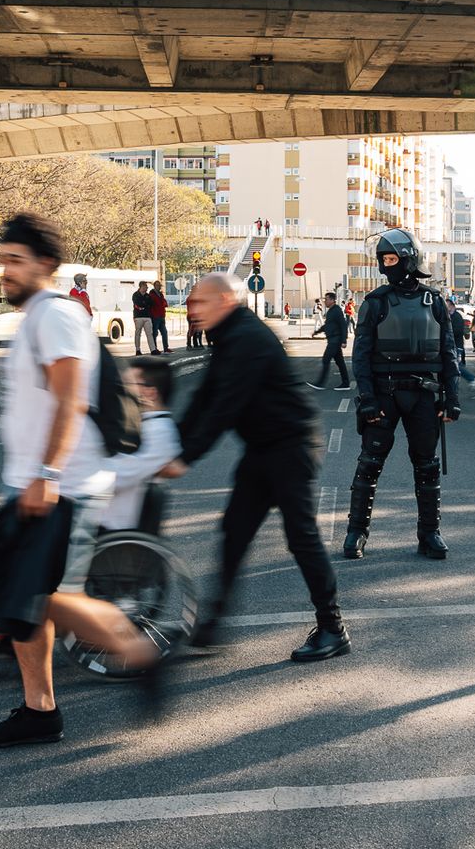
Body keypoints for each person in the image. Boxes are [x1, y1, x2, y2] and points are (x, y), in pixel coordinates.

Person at [0, 213, 162, 750]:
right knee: (27, 600)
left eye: (15, 261)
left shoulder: (55, 315)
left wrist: (47, 473)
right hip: (33, 482)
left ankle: (142, 655)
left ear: (46, 265)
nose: (4, 270)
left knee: (42, 598)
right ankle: (40, 710)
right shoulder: (36, 317)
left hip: (63, 485)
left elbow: (71, 398)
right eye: (1, 259)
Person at [160, 271, 349, 662]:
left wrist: (184, 458)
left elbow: (224, 406)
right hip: (263, 448)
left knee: (301, 538)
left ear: (225, 301)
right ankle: (214, 624)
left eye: (200, 302)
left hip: (292, 446)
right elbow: (204, 397)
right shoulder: (227, 335)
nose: (193, 310)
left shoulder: (247, 338)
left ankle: (333, 628)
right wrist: (170, 443)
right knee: (235, 531)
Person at [344, 227, 458, 561]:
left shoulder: (434, 301)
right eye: (383, 260)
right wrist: (367, 399)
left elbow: (448, 353)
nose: (385, 266)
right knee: (369, 464)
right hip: (384, 395)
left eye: (392, 259)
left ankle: (430, 533)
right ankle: (356, 532)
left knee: (427, 466)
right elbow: (361, 356)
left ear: (409, 260)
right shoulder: (375, 302)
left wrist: (452, 397)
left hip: (424, 395)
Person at [101, 356, 184, 533]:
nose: (121, 391)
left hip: (115, 528)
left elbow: (120, 476)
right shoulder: (142, 424)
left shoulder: (159, 431)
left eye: (128, 384)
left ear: (149, 393)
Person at [308, 293, 351, 390]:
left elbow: (343, 325)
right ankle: (346, 384)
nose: (325, 301)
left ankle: (320, 384)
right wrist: (316, 332)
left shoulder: (337, 310)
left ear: (332, 300)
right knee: (340, 362)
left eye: (326, 299)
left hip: (335, 340)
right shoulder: (331, 311)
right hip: (332, 339)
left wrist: (344, 340)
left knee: (326, 359)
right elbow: (327, 325)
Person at [131, 281, 155, 354]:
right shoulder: (135, 295)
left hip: (147, 316)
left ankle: (153, 349)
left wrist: (143, 305)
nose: (147, 288)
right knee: (138, 333)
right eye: (145, 286)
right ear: (141, 286)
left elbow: (151, 304)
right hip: (138, 316)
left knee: (149, 333)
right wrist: (145, 305)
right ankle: (138, 350)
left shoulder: (148, 296)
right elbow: (138, 303)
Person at [148, 284, 170, 353]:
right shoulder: (151, 295)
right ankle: (154, 348)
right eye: (158, 285)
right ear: (155, 286)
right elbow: (151, 305)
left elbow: (163, 302)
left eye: (160, 286)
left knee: (164, 332)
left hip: (162, 316)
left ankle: (166, 348)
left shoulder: (161, 294)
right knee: (155, 333)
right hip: (155, 316)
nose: (160, 287)